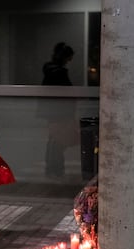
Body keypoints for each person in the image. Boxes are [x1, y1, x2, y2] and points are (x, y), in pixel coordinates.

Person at [42, 42, 75, 177]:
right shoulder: (58, 72)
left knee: (54, 140)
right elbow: (64, 92)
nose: (70, 61)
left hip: (53, 112)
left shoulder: (51, 71)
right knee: (57, 141)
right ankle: (55, 169)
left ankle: (53, 169)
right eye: (69, 58)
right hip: (58, 112)